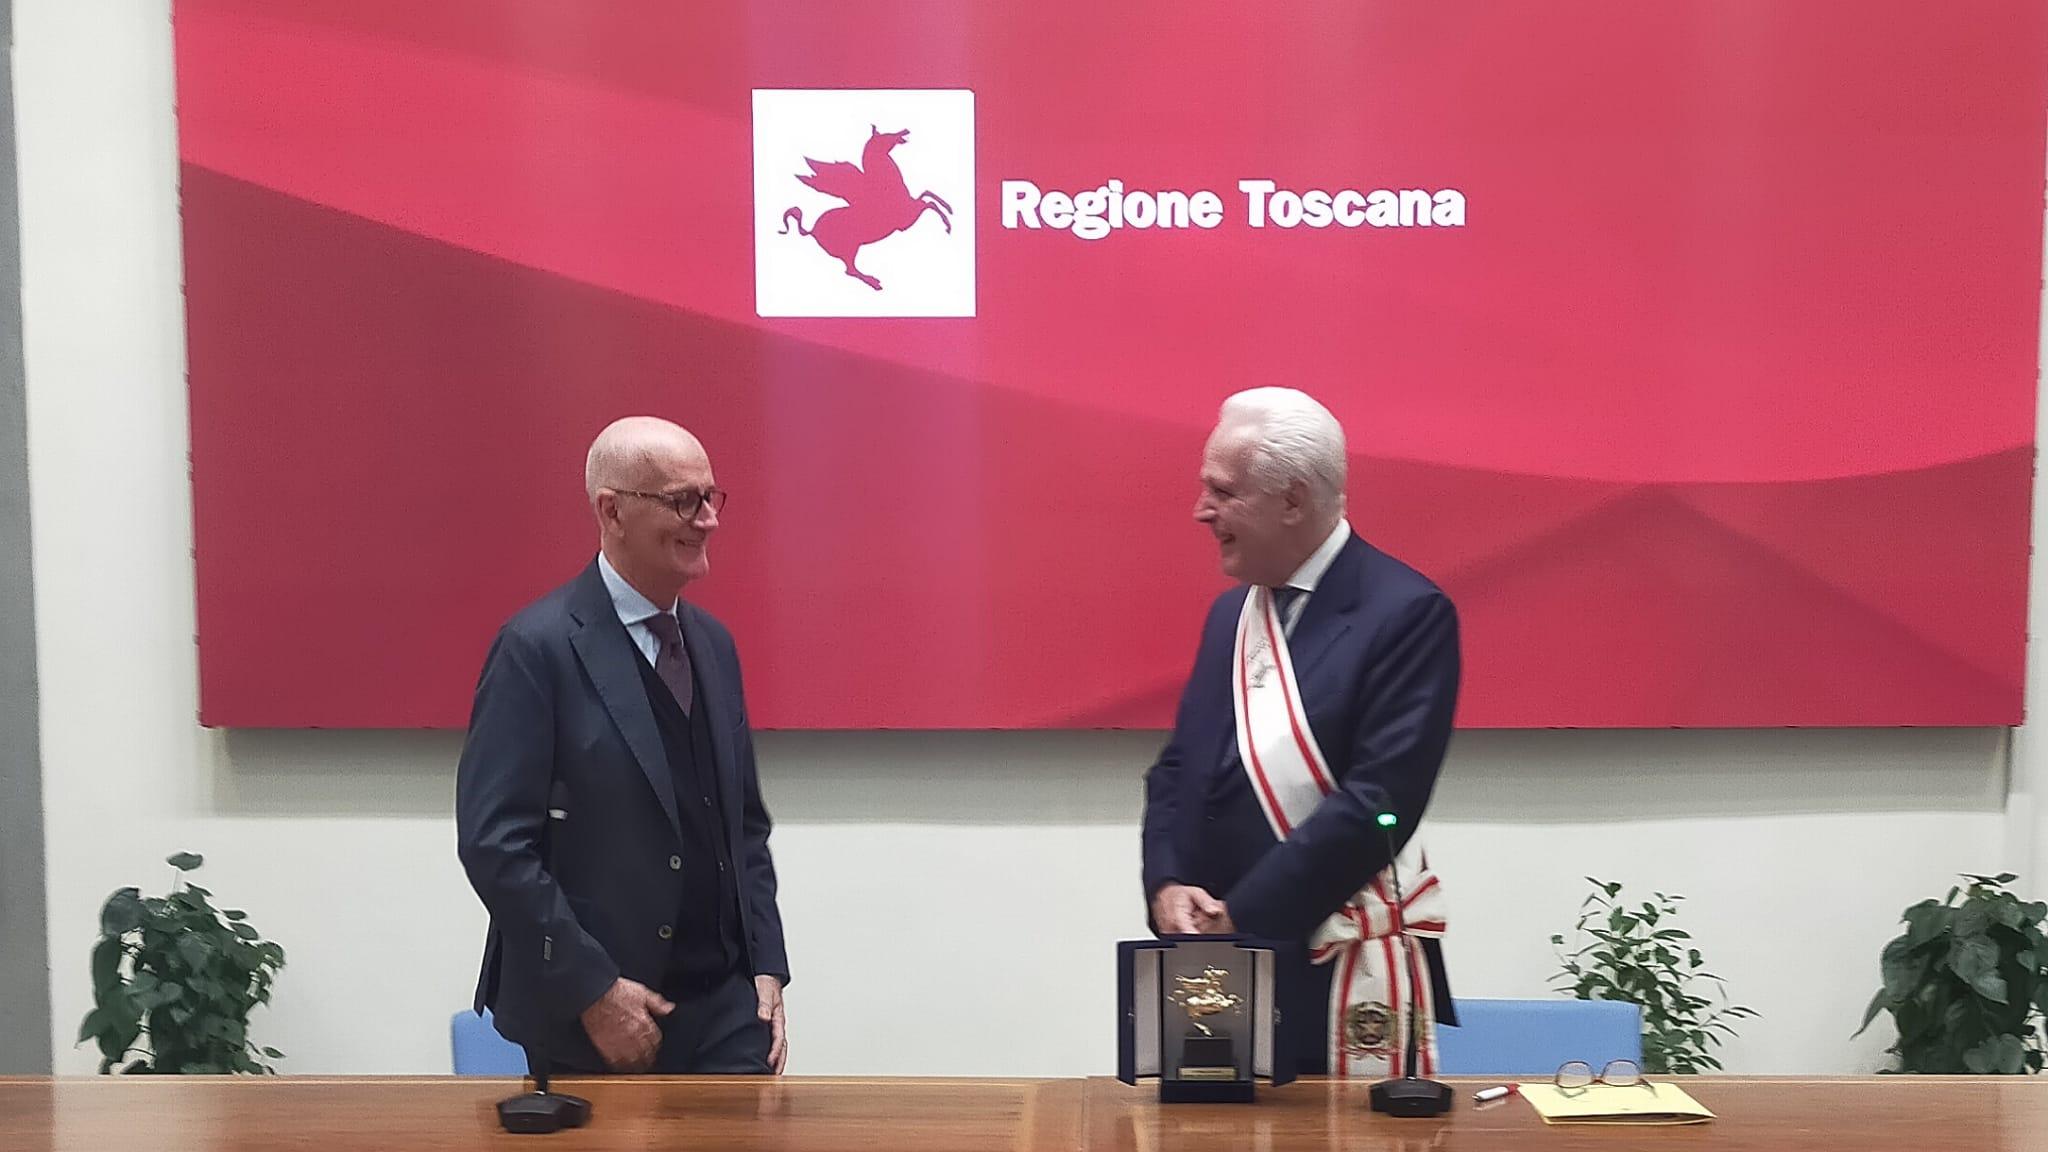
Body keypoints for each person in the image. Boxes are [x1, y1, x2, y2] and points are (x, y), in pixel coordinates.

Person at [1140, 387, 1461, 1077]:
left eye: (1223, 492)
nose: (1201, 511)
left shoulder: (1407, 613)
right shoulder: (1230, 618)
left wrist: (1244, 915)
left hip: (1330, 961)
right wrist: (1167, 884)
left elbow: (1380, 801)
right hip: (1209, 960)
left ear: (1292, 500)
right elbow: (1178, 771)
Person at [457, 416, 789, 1075]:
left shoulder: (714, 646)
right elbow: (495, 844)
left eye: (710, 497)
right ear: (612, 511)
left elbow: (744, 827)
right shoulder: (536, 649)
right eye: (683, 501)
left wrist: (767, 965)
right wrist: (592, 989)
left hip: (725, 1014)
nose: (708, 519)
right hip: (592, 1020)